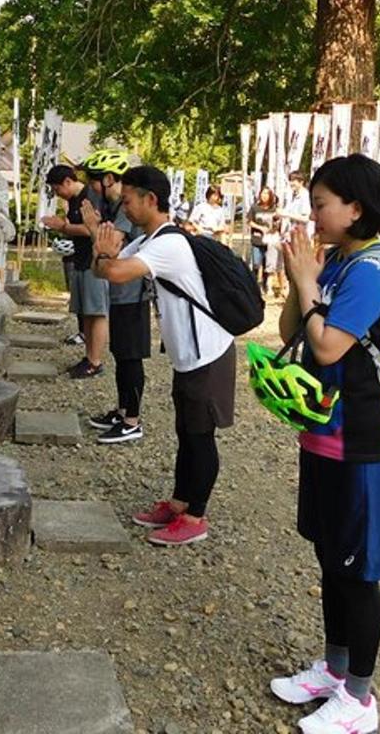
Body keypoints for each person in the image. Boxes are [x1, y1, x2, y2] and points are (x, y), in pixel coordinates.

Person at [270, 154, 380, 734]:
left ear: (356, 208)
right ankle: (334, 668)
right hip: (325, 432)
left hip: (364, 442)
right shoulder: (338, 266)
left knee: (359, 572)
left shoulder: (372, 274)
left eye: (322, 203)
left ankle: (360, 698)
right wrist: (298, 281)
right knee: (332, 558)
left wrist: (306, 282)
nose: (313, 214)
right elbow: (289, 331)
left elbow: (326, 348)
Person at [92, 165, 236, 546]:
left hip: (208, 353)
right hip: (187, 355)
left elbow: (116, 271)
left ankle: (196, 515)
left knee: (200, 437)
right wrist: (102, 253)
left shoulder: (168, 243)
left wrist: (105, 256)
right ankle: (178, 503)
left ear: (150, 199)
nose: (125, 208)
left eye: (128, 200)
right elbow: (105, 268)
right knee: (185, 432)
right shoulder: (149, 238)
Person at [80, 149, 150, 444]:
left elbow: (109, 246)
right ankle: (122, 411)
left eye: (94, 181)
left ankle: (132, 420)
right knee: (120, 355)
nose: (91, 188)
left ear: (109, 179)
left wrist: (92, 226)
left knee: (130, 357)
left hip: (132, 293)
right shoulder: (112, 206)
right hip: (119, 292)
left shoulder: (123, 209)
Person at [41, 164, 109, 378]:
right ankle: (89, 356)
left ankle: (96, 361)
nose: (57, 193)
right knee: (85, 312)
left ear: (68, 182)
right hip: (79, 260)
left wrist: (63, 227)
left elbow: (93, 230)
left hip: (94, 261)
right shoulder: (73, 199)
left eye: (57, 188)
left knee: (96, 312)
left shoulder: (91, 196)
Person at [247, 187, 279, 294]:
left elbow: (277, 223)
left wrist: (274, 228)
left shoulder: (274, 209)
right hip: (257, 239)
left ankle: (266, 285)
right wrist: (260, 228)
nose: (264, 196)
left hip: (269, 241)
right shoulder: (255, 207)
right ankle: (254, 285)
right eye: (262, 193)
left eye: (267, 194)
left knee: (267, 264)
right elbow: (249, 221)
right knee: (256, 263)